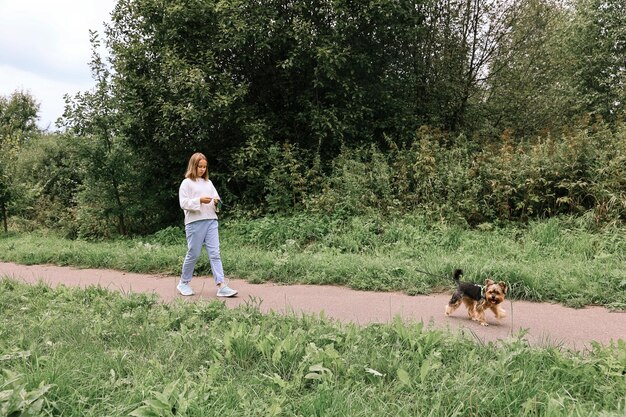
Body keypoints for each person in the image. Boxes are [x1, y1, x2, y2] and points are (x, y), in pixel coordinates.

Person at [177, 152, 238, 297]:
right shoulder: (186, 183)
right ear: (193, 166)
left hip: (211, 220)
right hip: (194, 223)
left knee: (215, 253)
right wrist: (199, 200)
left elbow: (217, 201)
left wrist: (217, 203)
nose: (202, 169)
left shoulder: (208, 183)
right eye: (200, 166)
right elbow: (183, 203)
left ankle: (222, 285)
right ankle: (183, 283)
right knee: (193, 253)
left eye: (205, 167)